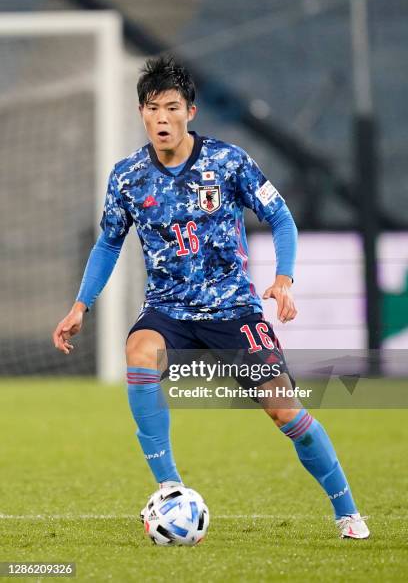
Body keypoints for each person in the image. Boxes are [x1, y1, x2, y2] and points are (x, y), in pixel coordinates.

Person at [53, 56, 369, 540]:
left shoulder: (228, 161)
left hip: (233, 310)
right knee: (138, 354)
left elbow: (281, 218)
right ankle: (169, 489)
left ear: (191, 112)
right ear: (141, 113)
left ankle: (347, 511)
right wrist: (81, 305)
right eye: (153, 108)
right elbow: (109, 242)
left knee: (286, 412)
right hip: (168, 310)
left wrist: (284, 279)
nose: (162, 118)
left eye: (172, 107)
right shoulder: (127, 177)